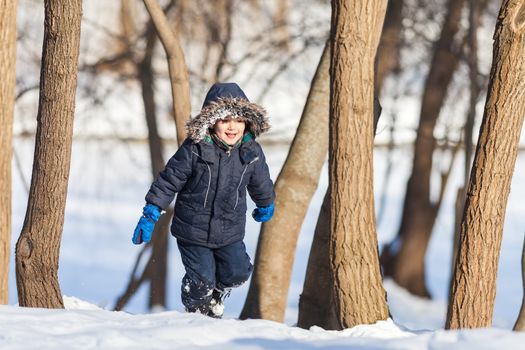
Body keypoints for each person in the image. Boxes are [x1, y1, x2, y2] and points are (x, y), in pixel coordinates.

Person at [132, 82, 276, 318]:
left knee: (238, 273)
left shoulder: (252, 152)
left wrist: (266, 203)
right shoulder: (194, 150)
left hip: (229, 231)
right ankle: (197, 318)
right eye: (225, 120)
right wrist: (151, 213)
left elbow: (261, 181)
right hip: (192, 232)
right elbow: (169, 180)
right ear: (211, 121)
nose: (233, 127)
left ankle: (217, 294)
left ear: (247, 123)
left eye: (239, 121)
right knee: (201, 282)